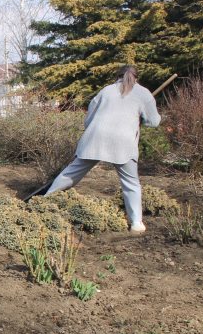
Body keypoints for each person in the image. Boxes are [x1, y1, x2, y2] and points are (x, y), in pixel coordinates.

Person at [44, 65, 160, 233]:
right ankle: (136, 223)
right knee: (131, 183)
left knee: (72, 172)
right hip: (123, 142)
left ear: (118, 76)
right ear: (136, 77)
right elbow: (154, 122)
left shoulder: (106, 91)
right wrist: (142, 118)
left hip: (95, 138)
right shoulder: (144, 93)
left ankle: (45, 200)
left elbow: (88, 120)